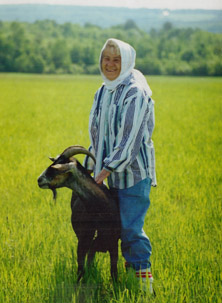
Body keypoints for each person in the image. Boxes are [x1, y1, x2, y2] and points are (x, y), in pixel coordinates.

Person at [84, 38, 156, 293]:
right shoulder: (103, 90)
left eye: (117, 60)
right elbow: (96, 135)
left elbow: (130, 139)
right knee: (113, 228)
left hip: (132, 175)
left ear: (126, 62)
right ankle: (127, 282)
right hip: (107, 175)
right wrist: (88, 167)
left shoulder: (135, 91)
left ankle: (144, 289)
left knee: (130, 229)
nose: (110, 64)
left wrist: (105, 170)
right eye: (106, 59)